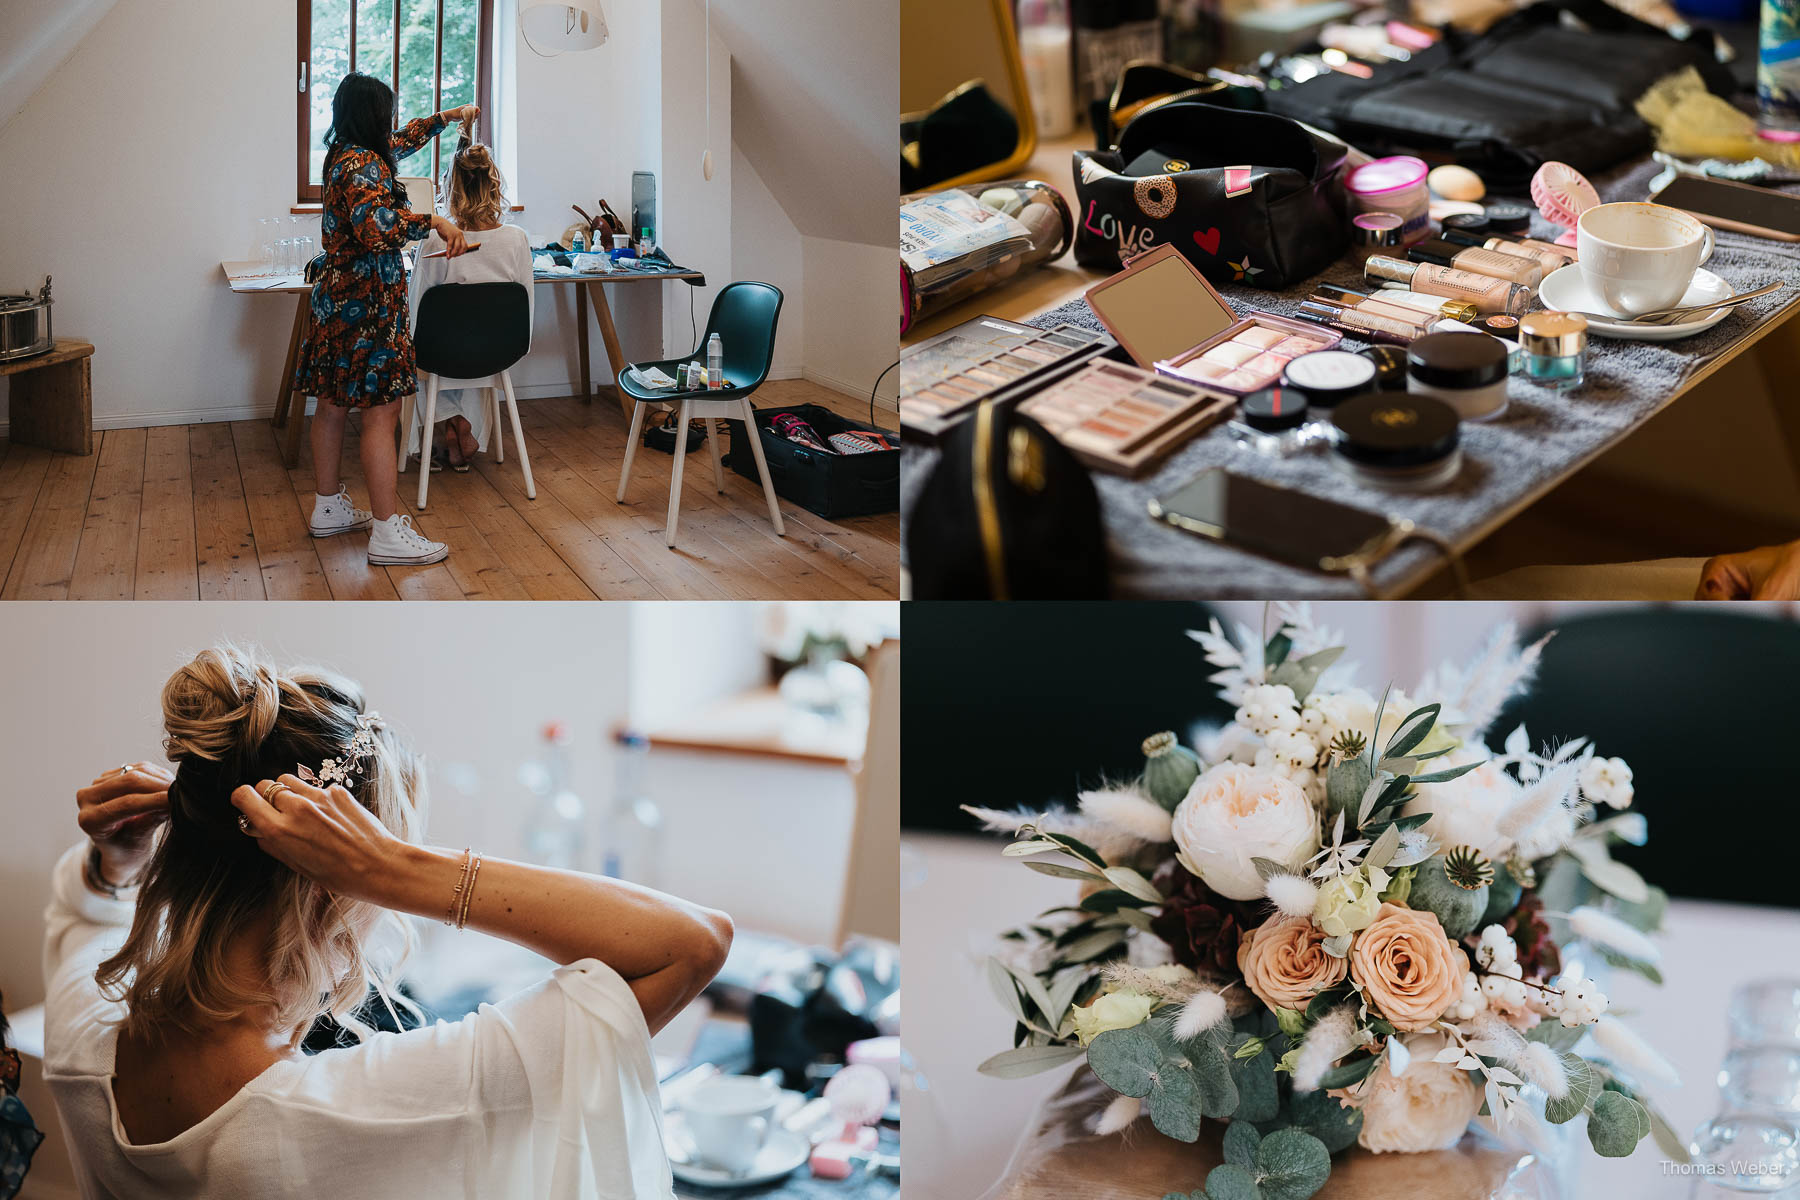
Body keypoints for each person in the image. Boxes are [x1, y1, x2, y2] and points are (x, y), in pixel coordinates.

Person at [42, 646, 732, 1198]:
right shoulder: (358, 1111)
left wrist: (117, 865)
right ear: (331, 886)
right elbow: (691, 943)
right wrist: (398, 870)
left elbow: (84, 917)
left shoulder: (78, 1038)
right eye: (372, 865)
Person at [296, 74, 474, 567]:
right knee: (382, 412)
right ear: (374, 115)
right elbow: (376, 229)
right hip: (367, 308)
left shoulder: (348, 154)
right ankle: (386, 533)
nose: (393, 122)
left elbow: (404, 140)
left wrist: (448, 118)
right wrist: (434, 221)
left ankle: (328, 506)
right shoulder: (361, 164)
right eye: (388, 112)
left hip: (338, 303)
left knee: (332, 403)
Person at [405, 126, 535, 472]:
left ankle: (440, 434)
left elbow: (415, 314)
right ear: (495, 184)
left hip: (443, 354)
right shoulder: (517, 239)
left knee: (423, 349)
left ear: (451, 186)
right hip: (498, 352)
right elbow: (527, 310)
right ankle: (463, 428)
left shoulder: (434, 241)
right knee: (477, 340)